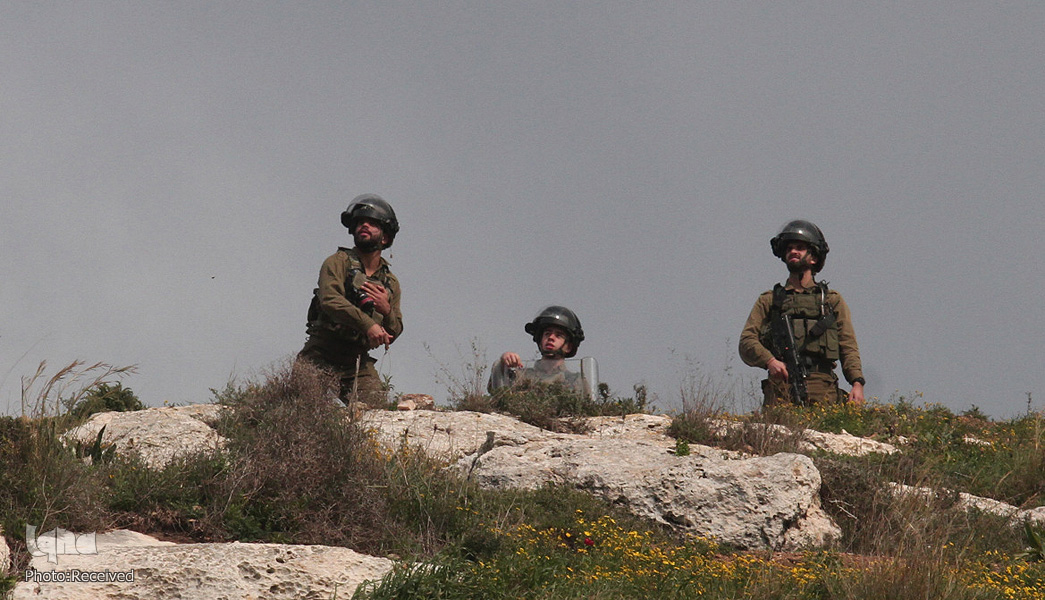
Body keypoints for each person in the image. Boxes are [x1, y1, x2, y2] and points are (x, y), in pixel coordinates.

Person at [739, 220, 865, 406]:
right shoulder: (770, 300)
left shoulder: (830, 300)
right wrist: (770, 361)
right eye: (789, 248)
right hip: (781, 387)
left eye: (800, 247)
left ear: (813, 257)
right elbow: (746, 341)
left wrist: (857, 382)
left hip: (822, 388)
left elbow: (847, 345)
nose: (793, 252)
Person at [297, 194, 403, 406]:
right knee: (298, 412)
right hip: (320, 354)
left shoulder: (390, 282)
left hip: (357, 362)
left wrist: (386, 310)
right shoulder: (338, 262)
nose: (364, 225)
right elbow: (330, 300)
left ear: (385, 238)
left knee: (376, 415)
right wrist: (369, 325)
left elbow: (395, 330)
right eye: (360, 222)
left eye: (372, 223)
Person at [488, 306, 587, 394]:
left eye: (558, 335)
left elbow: (586, 406)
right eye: (547, 333)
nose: (551, 337)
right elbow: (496, 390)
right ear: (540, 340)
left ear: (568, 347)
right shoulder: (521, 376)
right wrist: (504, 362)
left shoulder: (575, 380)